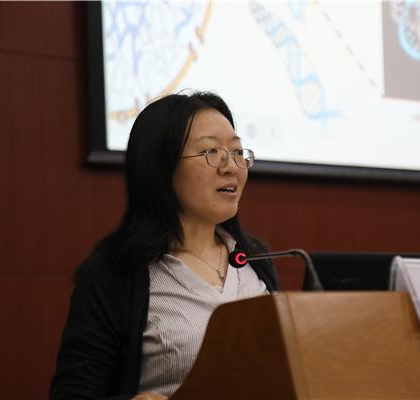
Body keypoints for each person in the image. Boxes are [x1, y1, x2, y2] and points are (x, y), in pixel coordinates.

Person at [50, 91, 280, 400]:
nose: (232, 167)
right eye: (212, 152)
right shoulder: (115, 272)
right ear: (160, 166)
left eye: (238, 152)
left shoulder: (255, 258)